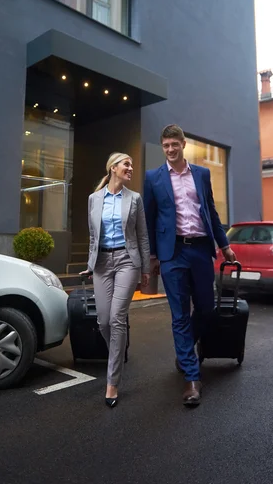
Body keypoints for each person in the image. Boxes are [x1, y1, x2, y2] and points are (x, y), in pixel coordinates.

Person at [143, 125, 236, 406]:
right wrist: (153, 257)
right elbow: (149, 218)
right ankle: (192, 379)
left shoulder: (202, 174)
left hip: (200, 250)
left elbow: (211, 210)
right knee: (180, 315)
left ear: (183, 144)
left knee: (207, 309)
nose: (170, 149)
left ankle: (184, 351)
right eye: (165, 145)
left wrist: (224, 245)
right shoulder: (153, 178)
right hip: (172, 255)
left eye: (174, 144)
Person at [80, 152, 150, 408]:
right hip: (101, 263)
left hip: (126, 261)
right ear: (113, 168)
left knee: (117, 318)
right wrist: (90, 264)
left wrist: (144, 268)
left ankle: (112, 382)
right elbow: (92, 236)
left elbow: (142, 236)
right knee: (103, 321)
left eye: (131, 165)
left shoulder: (135, 199)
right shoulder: (94, 199)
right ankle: (118, 355)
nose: (130, 168)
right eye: (126, 164)